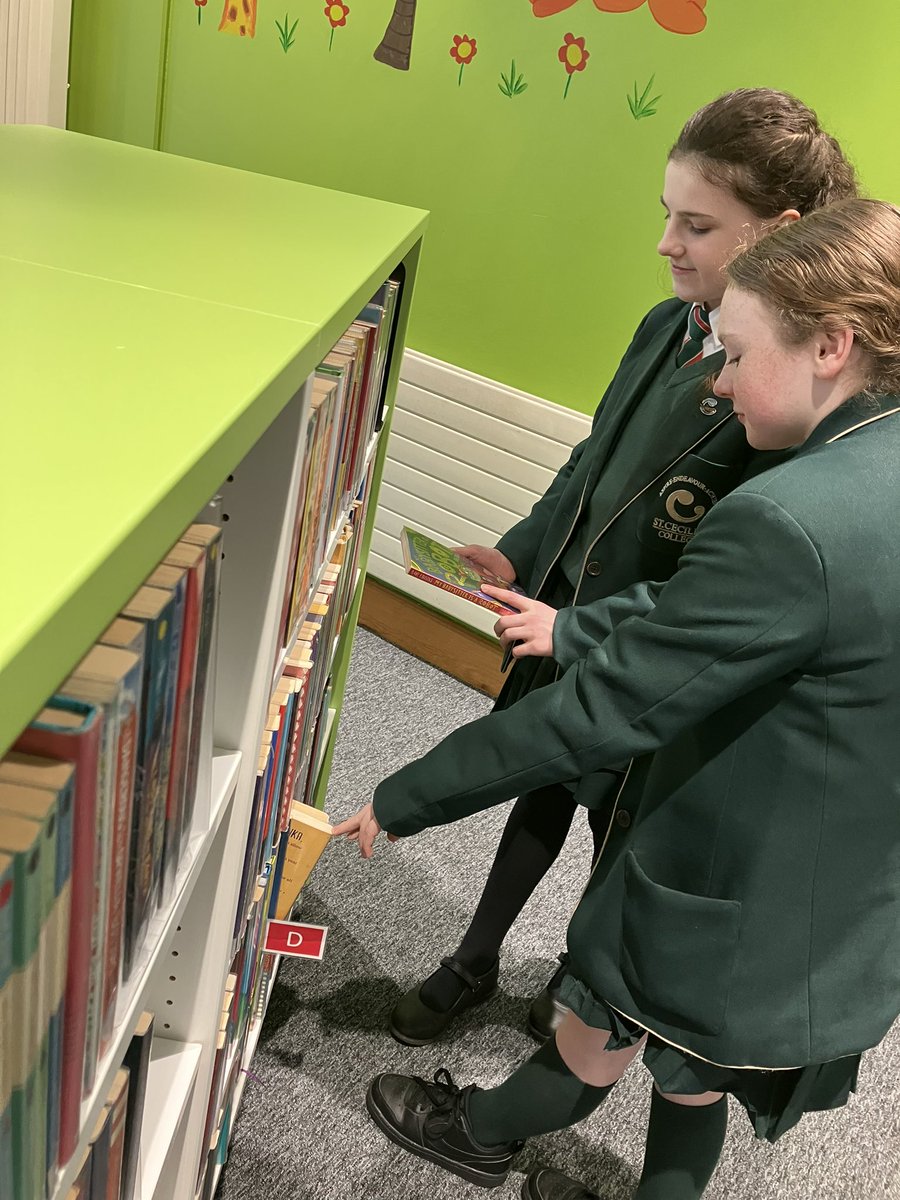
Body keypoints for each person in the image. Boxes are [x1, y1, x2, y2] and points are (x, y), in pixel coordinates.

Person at [334, 196, 900, 1199]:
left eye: (736, 354)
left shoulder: (788, 518)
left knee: (598, 1038)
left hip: (726, 880)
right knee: (691, 1077)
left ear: (831, 346)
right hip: (834, 889)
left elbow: (605, 710)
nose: (719, 385)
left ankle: (479, 1131)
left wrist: (410, 793)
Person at [377, 88, 858, 1050]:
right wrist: (520, 548)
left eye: (697, 223)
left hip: (648, 658)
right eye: (666, 215)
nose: (667, 243)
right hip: (559, 622)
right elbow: (587, 466)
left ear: (780, 233)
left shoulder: (770, 390)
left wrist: (585, 628)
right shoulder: (662, 325)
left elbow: (728, 586)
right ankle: (476, 954)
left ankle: (580, 985)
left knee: (620, 836)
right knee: (537, 786)